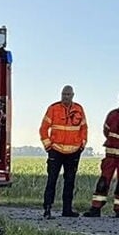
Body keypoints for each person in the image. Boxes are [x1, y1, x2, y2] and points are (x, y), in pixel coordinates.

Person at [38, 85, 88, 218]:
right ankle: (47, 208)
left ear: (73, 95)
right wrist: (48, 146)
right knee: (52, 180)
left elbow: (84, 128)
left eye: (68, 94)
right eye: (63, 94)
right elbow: (43, 129)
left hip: (73, 152)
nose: (65, 97)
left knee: (70, 181)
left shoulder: (79, 109)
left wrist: (82, 145)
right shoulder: (53, 108)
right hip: (56, 151)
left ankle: (67, 210)